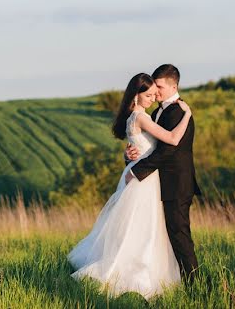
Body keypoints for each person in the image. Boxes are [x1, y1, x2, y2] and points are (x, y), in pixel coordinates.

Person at [68, 72, 194, 299]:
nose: (153, 97)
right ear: (136, 96)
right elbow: (173, 139)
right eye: (148, 94)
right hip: (144, 181)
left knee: (144, 230)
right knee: (142, 231)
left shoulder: (139, 117)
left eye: (155, 92)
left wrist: (130, 157)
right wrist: (188, 115)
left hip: (145, 177)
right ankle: (137, 277)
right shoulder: (143, 117)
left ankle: (151, 275)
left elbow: (144, 148)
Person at [125, 63, 201, 285]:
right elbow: (149, 146)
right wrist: (131, 155)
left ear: (173, 85)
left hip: (177, 184)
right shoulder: (157, 111)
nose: (155, 92)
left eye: (159, 86)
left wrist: (137, 171)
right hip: (159, 185)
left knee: (179, 236)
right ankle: (170, 281)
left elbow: (169, 150)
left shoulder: (178, 111)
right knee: (162, 237)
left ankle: (196, 287)